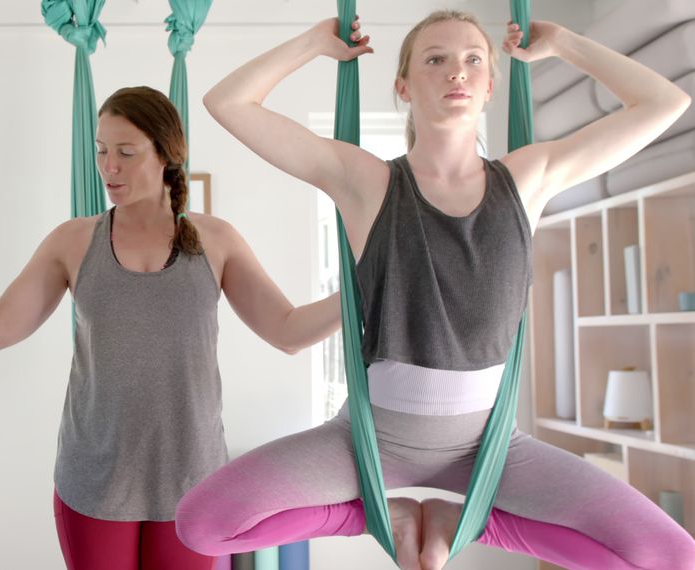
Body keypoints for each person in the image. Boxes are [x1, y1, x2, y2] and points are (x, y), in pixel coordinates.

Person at [174, 11, 695, 570]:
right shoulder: (366, 180)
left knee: (670, 556)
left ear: (491, 87)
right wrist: (312, 42)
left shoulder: (528, 176)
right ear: (403, 86)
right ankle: (383, 516)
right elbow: (228, 102)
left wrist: (565, 43)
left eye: (474, 59)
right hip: (369, 442)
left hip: (489, 449)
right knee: (203, 525)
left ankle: (467, 522)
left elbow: (665, 104)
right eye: (435, 59)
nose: (458, 73)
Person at [0, 86, 342, 570]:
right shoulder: (73, 242)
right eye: (101, 151)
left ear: (166, 155)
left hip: (191, 477)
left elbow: (287, 331)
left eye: (126, 152)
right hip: (95, 478)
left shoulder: (216, 241)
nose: (108, 166)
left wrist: (360, 294)